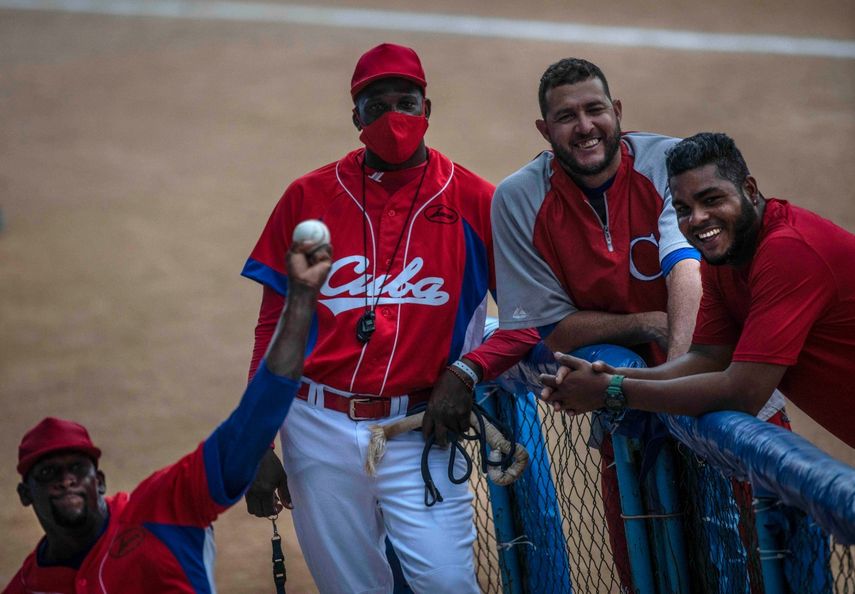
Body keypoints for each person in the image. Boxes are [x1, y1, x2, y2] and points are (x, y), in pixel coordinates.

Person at [240, 43, 540, 593]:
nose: (393, 119)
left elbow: (526, 318)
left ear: (429, 107)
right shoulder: (307, 197)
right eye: (375, 106)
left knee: (447, 582)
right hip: (315, 427)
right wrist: (256, 438)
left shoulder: (477, 201)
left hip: (418, 428)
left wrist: (467, 370)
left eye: (406, 101)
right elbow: (273, 327)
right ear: (355, 117)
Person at [490, 57, 710, 590]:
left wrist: (676, 380)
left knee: (743, 557)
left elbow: (687, 266)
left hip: (711, 386)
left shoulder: (669, 163)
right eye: (567, 117)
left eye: (595, 110)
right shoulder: (520, 199)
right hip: (626, 405)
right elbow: (552, 333)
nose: (585, 127)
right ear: (545, 131)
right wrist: (647, 324)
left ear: (617, 112)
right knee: (646, 565)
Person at [4, 243, 332, 593]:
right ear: (25, 494)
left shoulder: (162, 508)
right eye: (49, 473)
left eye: (77, 469)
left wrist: (299, 304)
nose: (66, 480)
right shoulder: (26, 587)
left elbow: (250, 423)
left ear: (99, 480)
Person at [540, 132, 855, 449]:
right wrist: (612, 376)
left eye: (712, 199)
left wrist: (613, 391)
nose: (698, 219)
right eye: (683, 208)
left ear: (749, 190)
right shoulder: (723, 257)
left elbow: (743, 392)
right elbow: (706, 357)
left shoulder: (786, 252)